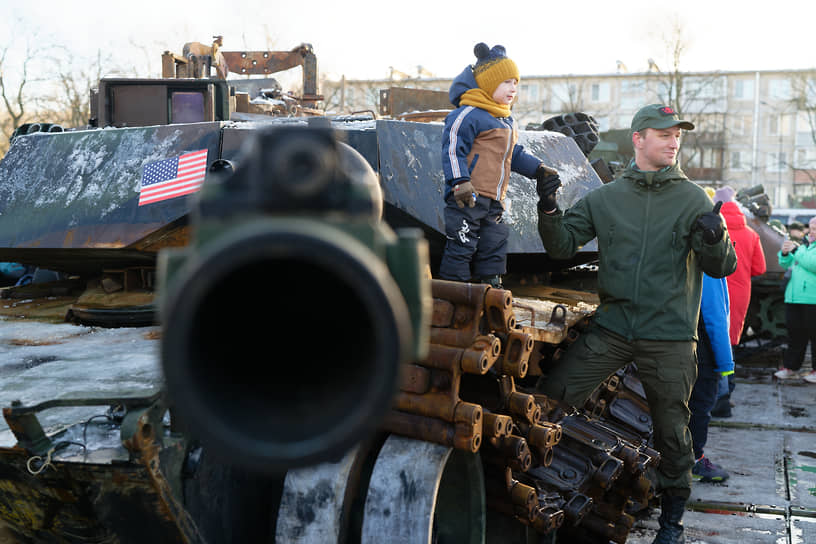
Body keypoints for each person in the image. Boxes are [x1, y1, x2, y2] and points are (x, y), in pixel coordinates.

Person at [535, 103, 738, 544]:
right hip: (613, 329)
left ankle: (672, 525)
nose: (673, 141)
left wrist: (715, 236)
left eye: (677, 135)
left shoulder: (692, 199)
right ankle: (535, 495)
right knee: (551, 398)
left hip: (668, 339)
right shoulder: (608, 198)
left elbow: (722, 268)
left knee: (673, 435)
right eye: (664, 134)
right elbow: (562, 246)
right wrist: (548, 207)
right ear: (638, 139)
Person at [439, 43, 557, 288]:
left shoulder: (505, 120)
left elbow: (512, 154)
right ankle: (454, 292)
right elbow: (452, 148)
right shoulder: (468, 114)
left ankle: (491, 289)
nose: (513, 88)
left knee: (494, 243)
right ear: (488, 83)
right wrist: (460, 181)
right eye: (506, 82)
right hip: (467, 197)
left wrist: (538, 169)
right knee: (462, 244)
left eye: (515, 82)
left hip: (494, 200)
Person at [709, 186, 766, 418]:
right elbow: (760, 269)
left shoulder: (711, 230)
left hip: (713, 291)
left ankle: (713, 395)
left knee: (709, 341)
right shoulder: (752, 234)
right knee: (728, 343)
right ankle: (725, 394)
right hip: (740, 294)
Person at [689, 273, 734, 482]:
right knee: (701, 405)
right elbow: (715, 314)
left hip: (673, 345)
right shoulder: (709, 267)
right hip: (702, 348)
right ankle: (695, 461)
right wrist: (725, 361)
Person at [775, 215, 816, 383]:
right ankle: (791, 367)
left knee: (815, 337)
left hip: (812, 299)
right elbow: (787, 265)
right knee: (795, 335)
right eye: (812, 228)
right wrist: (784, 254)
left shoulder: (802, 248)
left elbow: (813, 264)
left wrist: (795, 250)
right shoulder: (805, 246)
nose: (813, 231)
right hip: (794, 297)